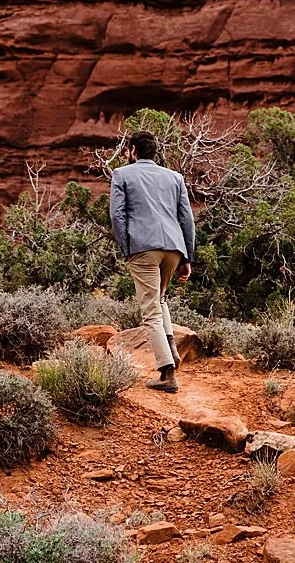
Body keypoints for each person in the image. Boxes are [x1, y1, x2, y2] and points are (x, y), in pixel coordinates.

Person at [109, 130, 196, 393]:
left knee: (150, 311)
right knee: (159, 299)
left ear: (132, 151)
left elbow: (117, 216)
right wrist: (187, 257)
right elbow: (187, 219)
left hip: (143, 247)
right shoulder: (174, 177)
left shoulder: (121, 174)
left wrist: (127, 248)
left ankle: (167, 373)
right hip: (173, 248)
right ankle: (171, 349)